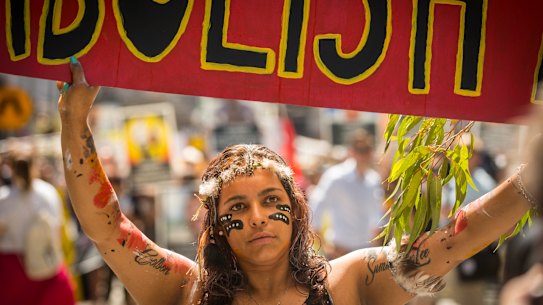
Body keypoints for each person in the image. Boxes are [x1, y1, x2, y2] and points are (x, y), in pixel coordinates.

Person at [58, 58, 540, 305]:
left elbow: (459, 239)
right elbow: (107, 228)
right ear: (217, 225)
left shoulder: (350, 283)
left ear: (297, 208)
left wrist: (533, 176)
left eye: (271, 199)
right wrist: (73, 122)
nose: (258, 217)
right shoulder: (185, 289)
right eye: (238, 208)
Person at [0, 144, 75, 305]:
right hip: (46, 268)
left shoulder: (3, 200)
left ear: (10, 167)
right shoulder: (49, 194)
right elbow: (57, 235)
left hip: (12, 274)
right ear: (35, 165)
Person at [309, 129, 384, 258]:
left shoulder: (373, 179)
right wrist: (326, 248)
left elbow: (377, 217)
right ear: (351, 151)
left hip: (366, 252)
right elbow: (315, 212)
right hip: (340, 251)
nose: (364, 155)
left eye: (367, 149)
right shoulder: (335, 177)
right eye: (360, 150)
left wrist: (376, 247)